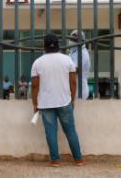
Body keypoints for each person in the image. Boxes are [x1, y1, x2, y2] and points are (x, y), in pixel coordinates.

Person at [31, 33, 84, 167]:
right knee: (70, 130)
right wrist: (72, 99)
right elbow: (73, 82)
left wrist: (35, 103)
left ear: (44, 46)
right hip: (65, 101)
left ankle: (55, 160)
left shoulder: (38, 62)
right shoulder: (67, 60)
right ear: (59, 46)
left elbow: (35, 86)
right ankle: (78, 159)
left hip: (46, 103)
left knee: (50, 132)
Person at [68, 30, 91, 100]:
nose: (72, 41)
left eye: (74, 39)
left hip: (79, 91)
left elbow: (74, 71)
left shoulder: (81, 53)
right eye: (71, 39)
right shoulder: (73, 52)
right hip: (74, 89)